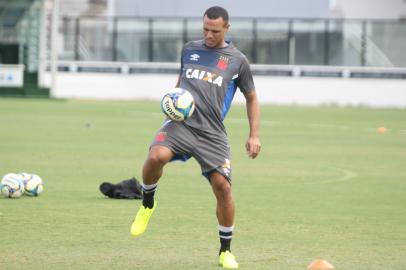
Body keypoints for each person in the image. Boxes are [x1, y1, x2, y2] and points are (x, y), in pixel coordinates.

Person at [130, 6, 261, 269]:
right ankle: (147, 202)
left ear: (227, 28)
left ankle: (225, 251)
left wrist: (254, 135)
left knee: (223, 188)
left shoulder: (237, 60)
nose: (209, 35)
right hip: (181, 124)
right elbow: (181, 80)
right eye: (205, 29)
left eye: (215, 30)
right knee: (156, 155)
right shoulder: (189, 49)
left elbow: (251, 97)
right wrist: (173, 101)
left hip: (212, 132)